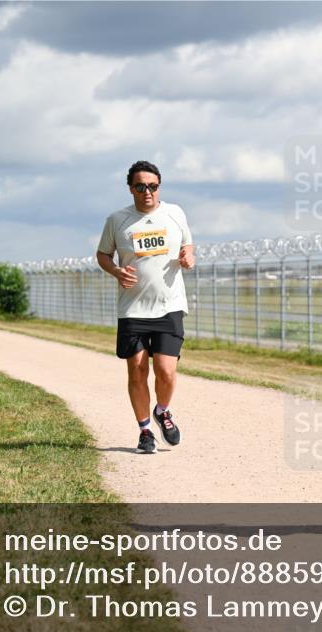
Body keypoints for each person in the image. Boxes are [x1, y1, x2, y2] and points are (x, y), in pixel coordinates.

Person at [96, 160, 195, 454]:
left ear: (159, 187)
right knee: (137, 371)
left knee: (165, 371)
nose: (147, 192)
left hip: (169, 305)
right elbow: (103, 255)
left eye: (152, 186)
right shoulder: (118, 220)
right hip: (133, 309)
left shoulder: (175, 213)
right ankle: (144, 431)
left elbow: (187, 246)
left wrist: (188, 257)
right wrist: (116, 271)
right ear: (131, 189)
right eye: (140, 186)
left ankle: (162, 411)